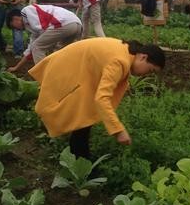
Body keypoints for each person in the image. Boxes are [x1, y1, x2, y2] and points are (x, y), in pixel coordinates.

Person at [28, 38, 165, 159]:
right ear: (143, 57)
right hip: (67, 68)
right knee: (74, 108)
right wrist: (118, 131)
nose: (146, 75)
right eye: (150, 70)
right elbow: (102, 98)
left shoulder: (126, 52)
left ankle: (80, 160)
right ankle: (79, 161)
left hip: (76, 66)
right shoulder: (120, 61)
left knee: (83, 113)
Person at [5, 4, 82, 73]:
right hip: (76, 24)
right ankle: (70, 72)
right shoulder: (32, 25)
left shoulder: (27, 11)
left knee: (38, 47)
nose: (16, 29)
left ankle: (45, 77)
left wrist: (47, 47)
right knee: (61, 51)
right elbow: (31, 49)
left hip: (64, 23)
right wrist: (16, 67)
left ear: (15, 19)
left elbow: (37, 44)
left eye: (13, 26)